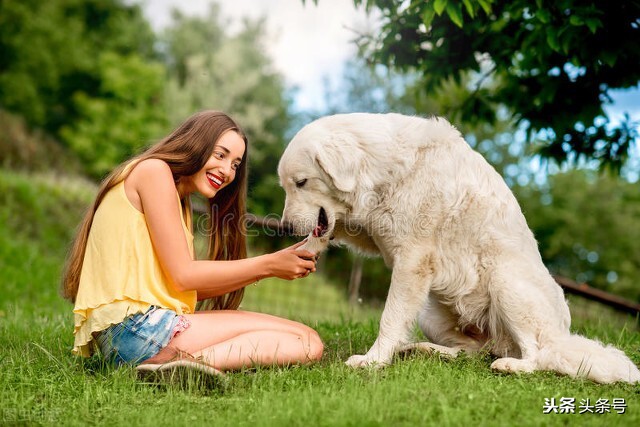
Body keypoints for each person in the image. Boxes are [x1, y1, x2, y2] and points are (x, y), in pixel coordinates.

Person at [61, 110, 323, 380]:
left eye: (235, 164)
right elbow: (184, 276)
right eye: (220, 155)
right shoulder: (154, 171)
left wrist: (271, 266)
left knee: (307, 339)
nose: (226, 171)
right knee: (306, 342)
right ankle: (184, 366)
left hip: (133, 334)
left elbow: (183, 285)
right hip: (137, 330)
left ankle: (178, 366)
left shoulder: (177, 198)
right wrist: (268, 264)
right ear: (195, 144)